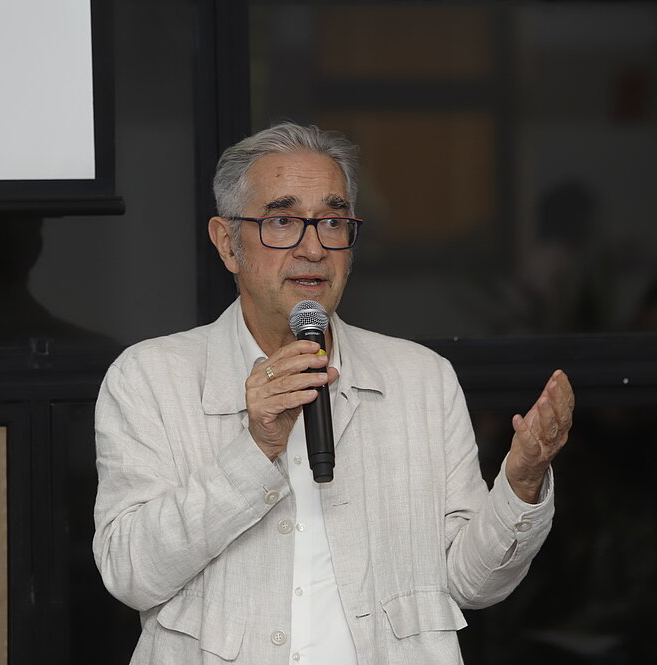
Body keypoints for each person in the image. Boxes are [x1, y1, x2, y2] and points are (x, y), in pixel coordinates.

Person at [92, 122, 574, 665]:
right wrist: (254, 450)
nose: (313, 247)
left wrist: (521, 483)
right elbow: (130, 573)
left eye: (332, 221)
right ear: (228, 244)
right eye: (282, 221)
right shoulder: (151, 378)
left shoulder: (422, 380)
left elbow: (471, 583)